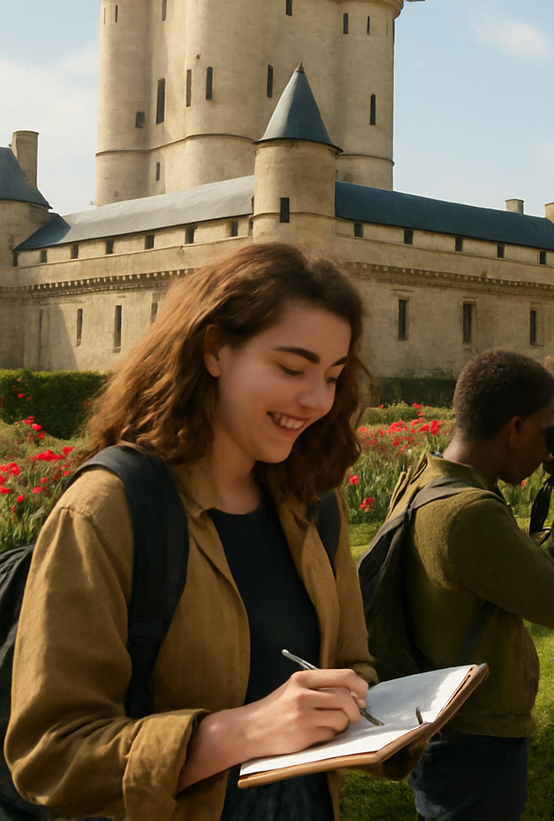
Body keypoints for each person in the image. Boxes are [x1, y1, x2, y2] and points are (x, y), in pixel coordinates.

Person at [6, 243, 379, 820]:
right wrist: (240, 731)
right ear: (213, 350)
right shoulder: (110, 508)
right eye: (291, 367)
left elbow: (353, 663)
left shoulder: (314, 505)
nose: (316, 401)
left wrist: (372, 708)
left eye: (332, 375)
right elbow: (50, 753)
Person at [386, 349, 554, 821]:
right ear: (513, 429)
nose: (549, 446)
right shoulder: (468, 513)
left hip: (441, 727)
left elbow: (509, 574)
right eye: (545, 429)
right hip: (473, 741)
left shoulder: (427, 480)